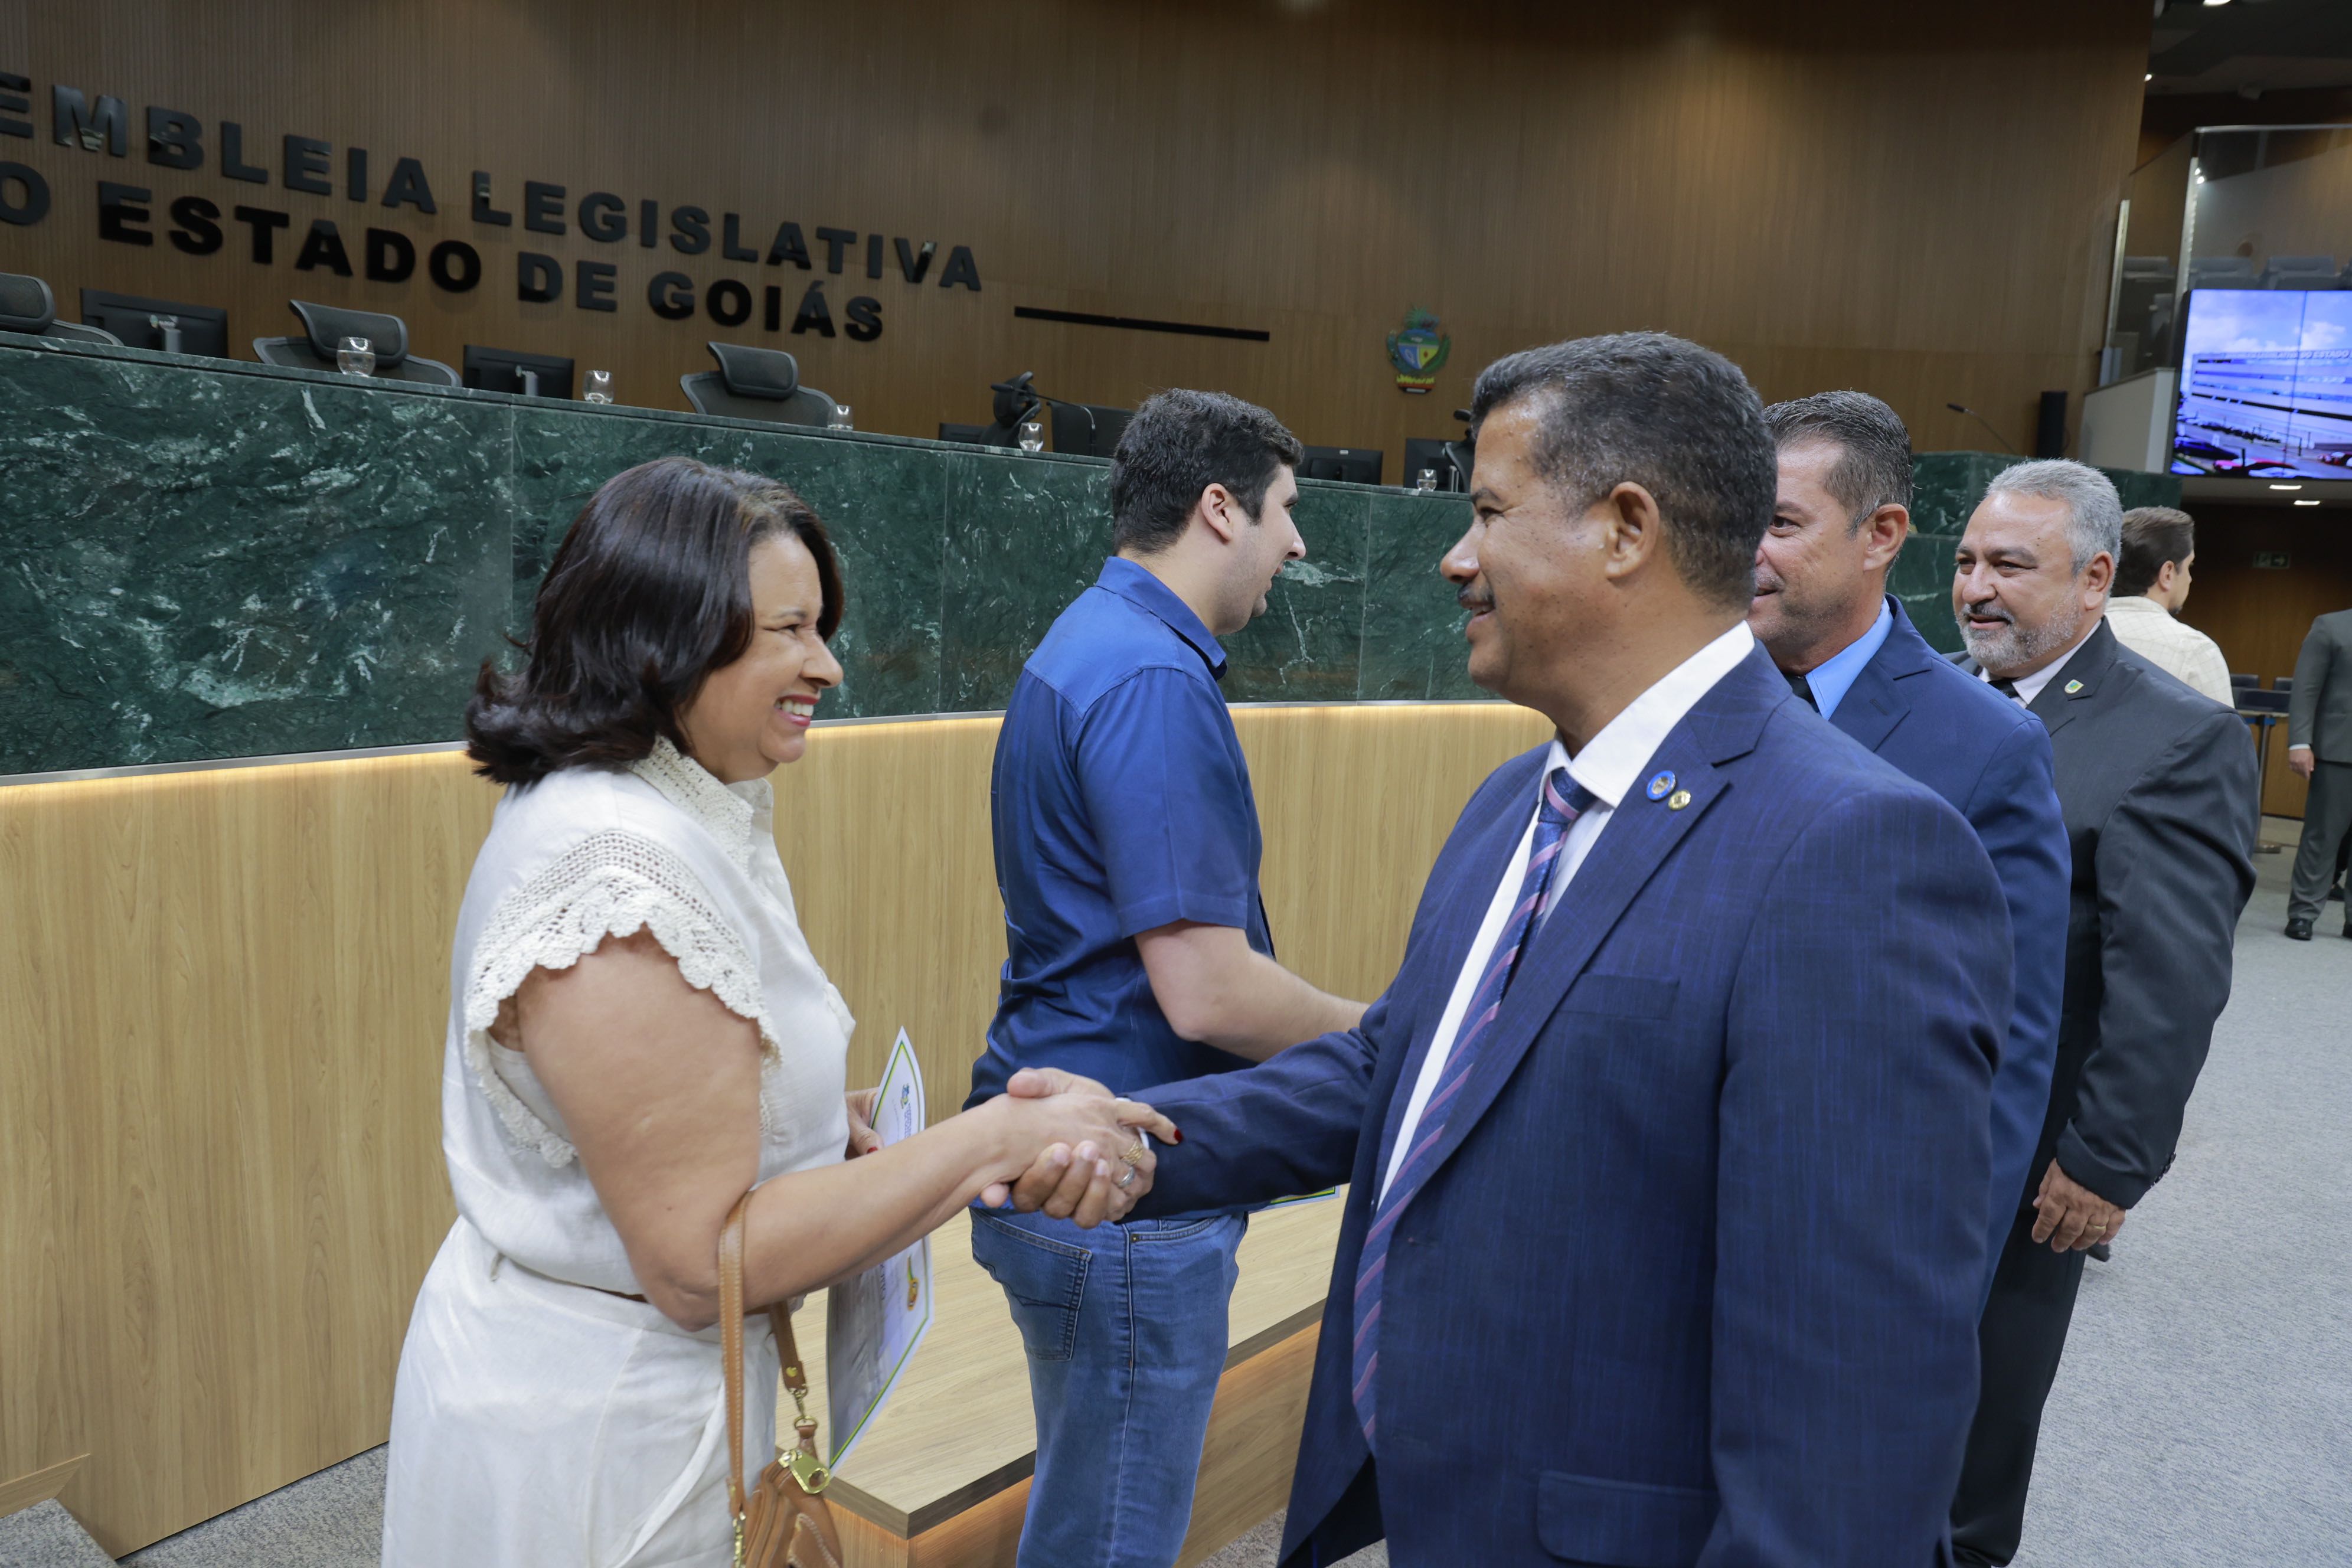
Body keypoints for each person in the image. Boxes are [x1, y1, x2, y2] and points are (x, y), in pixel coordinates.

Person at [1008, 334, 2014, 1565]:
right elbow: (1398, 1066)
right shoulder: (1512, 804)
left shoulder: (1855, 850)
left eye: (1486, 512)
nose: (1455, 556)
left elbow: (1852, 1416)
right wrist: (1140, 1141)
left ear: (1626, 528)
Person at [381, 458, 1169, 1567]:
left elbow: (681, 1105)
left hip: (639, 1396)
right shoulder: (617, 880)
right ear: (663, 639)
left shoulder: (683, 800)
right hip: (606, 1438)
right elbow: (697, 1263)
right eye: (790, 631)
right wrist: (991, 1139)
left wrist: (809, 1128)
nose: (827, 665)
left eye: (821, 628)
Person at [964, 390, 1369, 1568]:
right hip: (1119, 1183)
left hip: (1065, 1150)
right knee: (1110, 1544)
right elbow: (1209, 993)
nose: (1297, 540)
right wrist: (1382, 1036)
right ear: (1219, 509)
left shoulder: (1093, 634)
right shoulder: (1149, 675)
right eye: (1285, 509)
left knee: (1086, 1517)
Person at [1946, 459, 2258, 1567]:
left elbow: (2169, 978)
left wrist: (2104, 1161)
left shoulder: (2174, 738)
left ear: (2092, 580)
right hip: (1894, 1111)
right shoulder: (1932, 700)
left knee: (1977, 1417)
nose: (1976, 588)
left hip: (2031, 1148)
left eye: (2009, 566)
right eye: (1966, 561)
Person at [1752, 390, 2069, 1290]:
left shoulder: (1987, 747)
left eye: (1779, 523)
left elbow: (2004, 1050)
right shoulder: (1681, 708)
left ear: (1881, 535)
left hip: (1849, 1241)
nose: (1744, 550)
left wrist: (1937, 1282)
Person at [2102, 505, 2234, 705]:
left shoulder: (2074, 636)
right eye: (2189, 566)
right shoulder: (2195, 651)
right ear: (2167, 574)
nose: (2190, 579)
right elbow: (2222, 725)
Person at [2285, 605, 2352, 940]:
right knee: (2322, 837)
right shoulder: (2331, 626)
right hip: (2338, 749)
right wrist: (2299, 741)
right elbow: (2306, 687)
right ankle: (2303, 913)